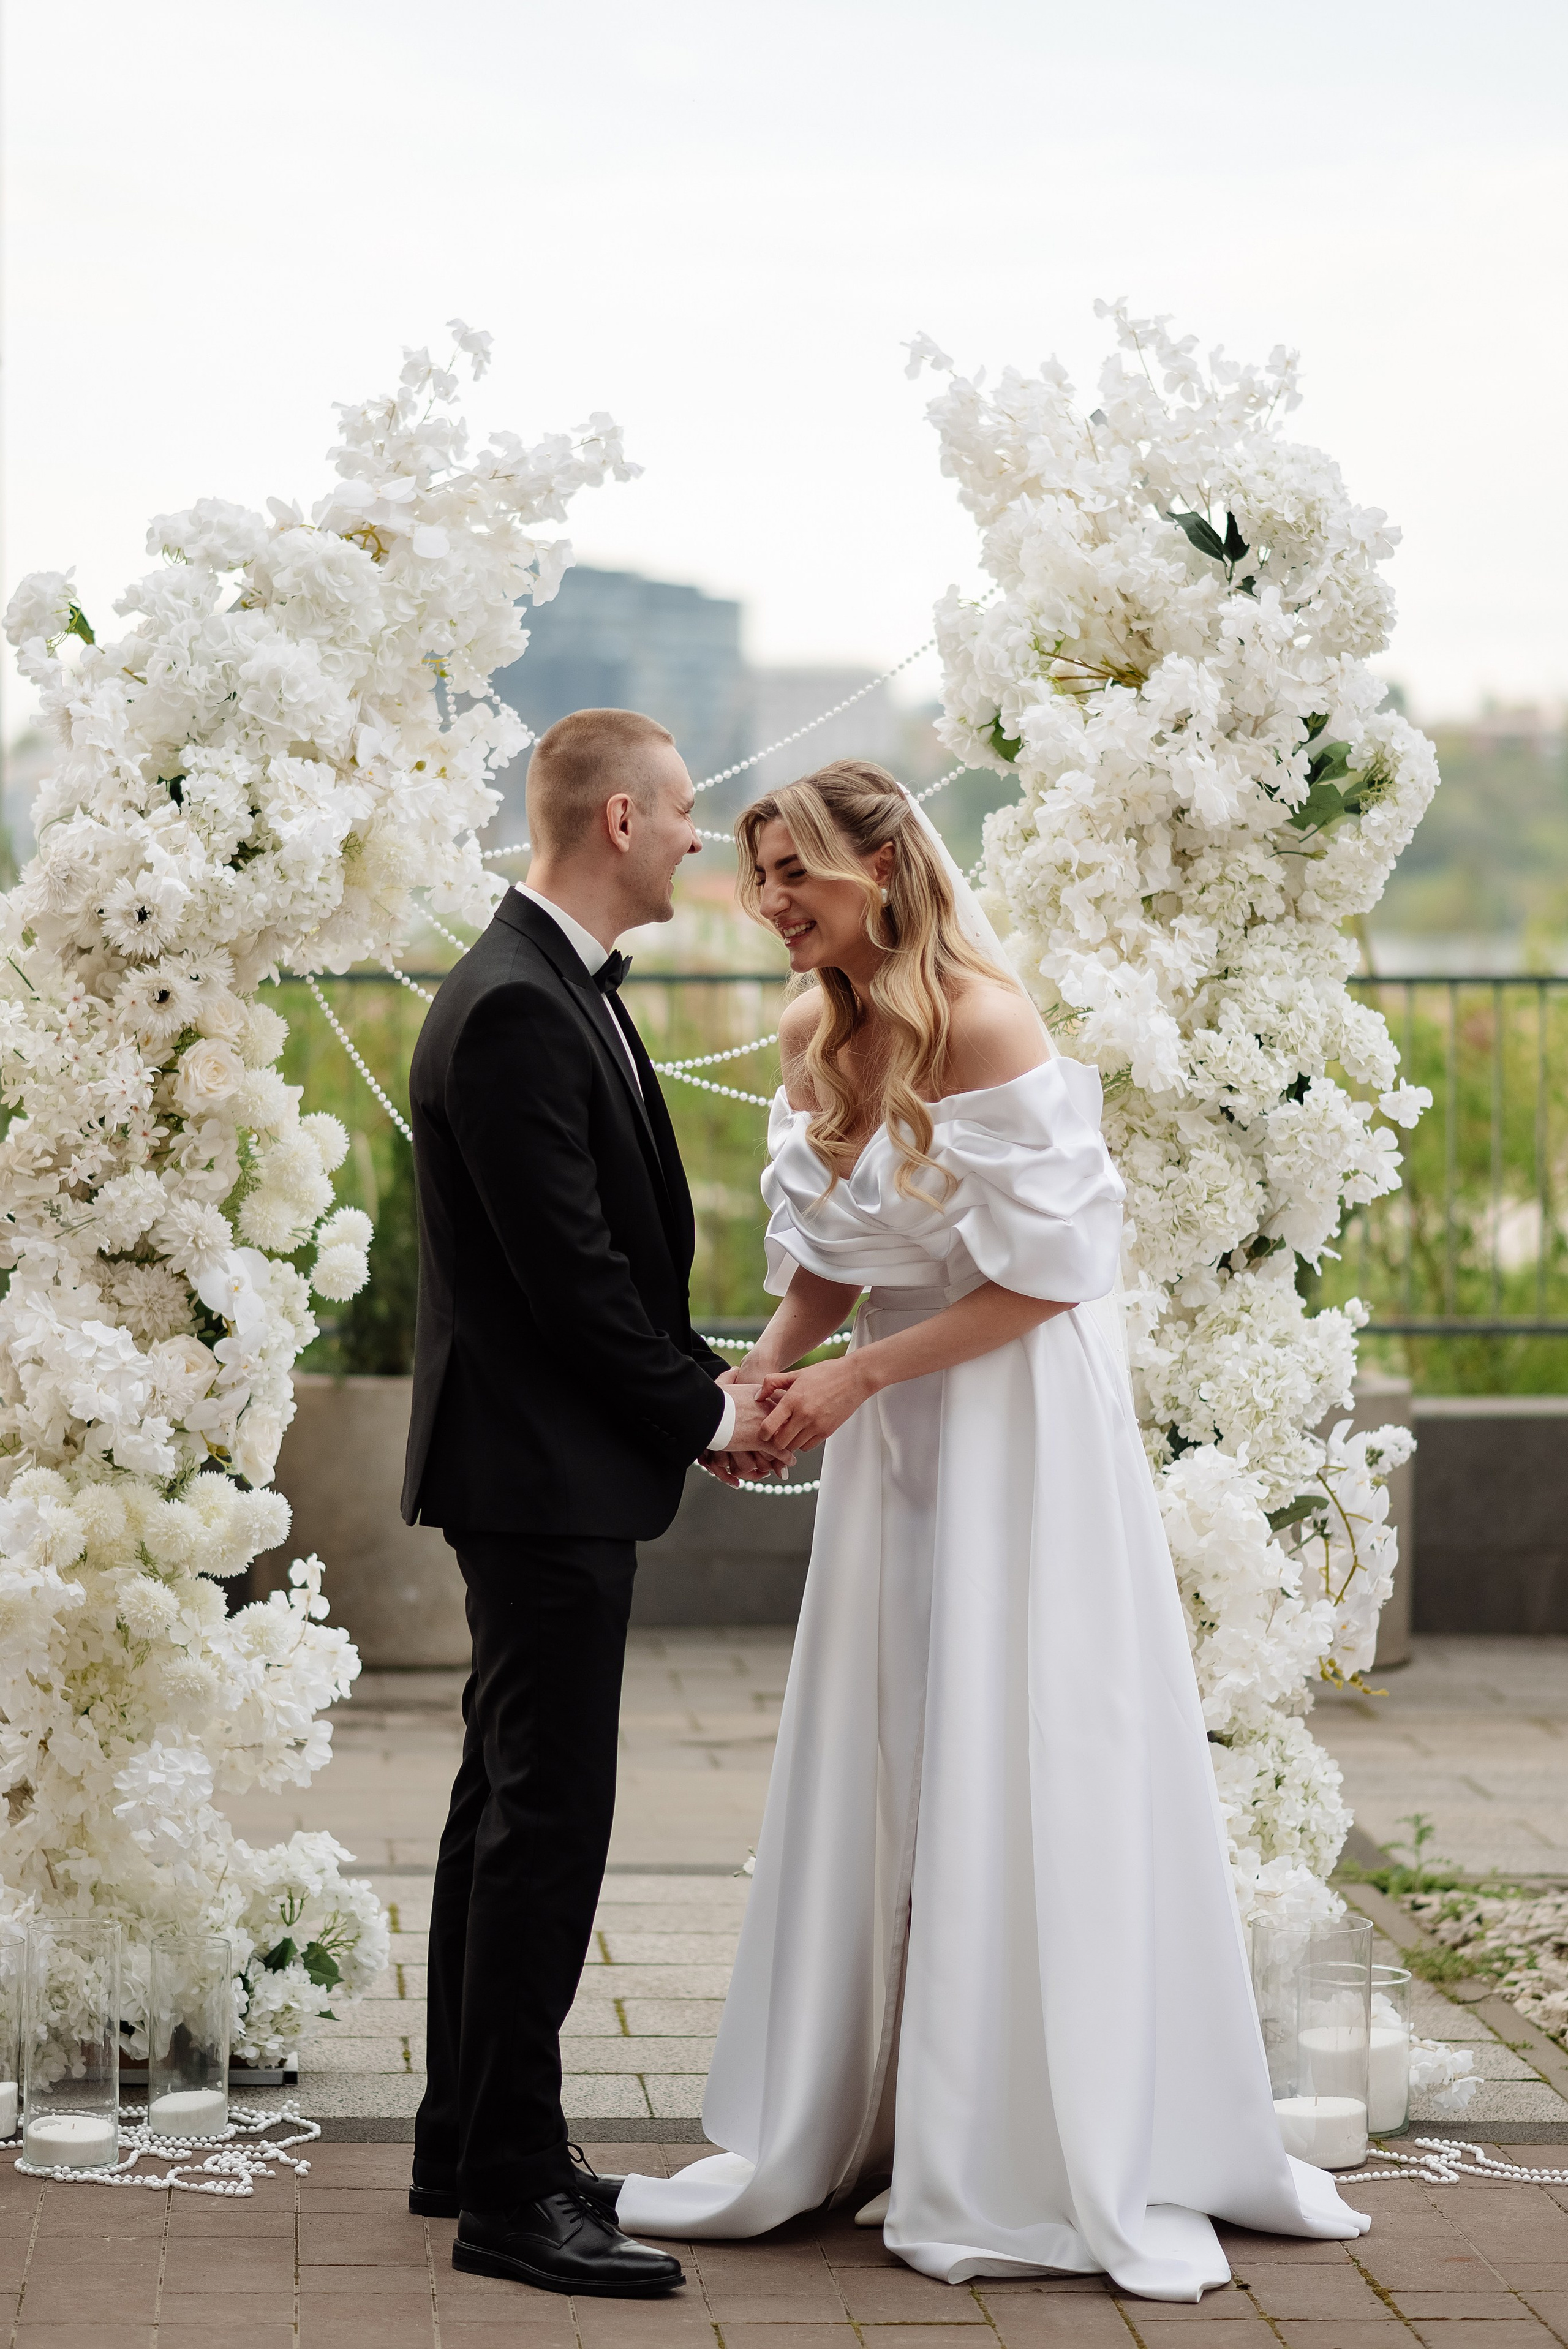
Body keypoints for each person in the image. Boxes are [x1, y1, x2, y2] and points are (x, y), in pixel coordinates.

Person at [615, 759, 1371, 2303]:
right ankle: (874, 2108)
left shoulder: (987, 1022)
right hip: (893, 1429)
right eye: (759, 873)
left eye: (796, 873)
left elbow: (1050, 1276)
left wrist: (854, 1382)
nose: (768, 901)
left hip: (1013, 1417)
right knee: (894, 1732)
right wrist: (756, 1390)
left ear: (884, 867)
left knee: (1016, 1734)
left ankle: (1018, 2135)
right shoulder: (811, 1029)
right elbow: (828, 1264)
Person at [400, 707, 790, 2298]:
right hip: (536, 1475)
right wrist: (704, 1410)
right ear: (619, 818)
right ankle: (511, 2193)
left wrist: (696, 1384)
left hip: (538, 1466)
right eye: (686, 811)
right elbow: (565, 1281)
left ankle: (467, 2140)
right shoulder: (515, 1005)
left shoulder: (543, 984)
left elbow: (605, 1263)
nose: (701, 837)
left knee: (502, 1806)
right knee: (546, 1822)